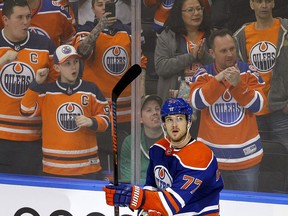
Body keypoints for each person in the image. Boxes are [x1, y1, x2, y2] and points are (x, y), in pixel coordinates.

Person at [103, 98, 223, 215]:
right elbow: (151, 185)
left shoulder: (199, 155)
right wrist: (146, 211)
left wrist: (132, 197)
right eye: (169, 120)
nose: (174, 125)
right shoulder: (158, 149)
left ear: (189, 122)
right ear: (164, 124)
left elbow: (171, 204)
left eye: (179, 119)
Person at [190, 28, 266, 191]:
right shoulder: (203, 74)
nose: (230, 54)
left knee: (247, 209)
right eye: (223, 50)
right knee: (212, 209)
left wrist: (238, 84)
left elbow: (258, 106)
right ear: (212, 52)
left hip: (247, 157)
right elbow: (197, 102)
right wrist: (219, 79)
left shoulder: (249, 72)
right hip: (211, 159)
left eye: (232, 49)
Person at [20, 45, 110, 179]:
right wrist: (36, 83)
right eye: (67, 63)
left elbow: (107, 119)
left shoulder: (90, 89)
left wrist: (92, 121)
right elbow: (26, 110)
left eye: (75, 62)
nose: (73, 67)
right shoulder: (46, 91)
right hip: (54, 169)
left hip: (87, 167)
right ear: (57, 68)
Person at [0, 0, 57, 175]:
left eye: (28, 17)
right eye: (19, 17)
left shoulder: (44, 45)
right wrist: (2, 61)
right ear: (5, 19)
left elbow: (55, 87)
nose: (26, 22)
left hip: (30, 139)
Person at [233, 0, 288, 149]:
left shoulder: (285, 29)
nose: (263, 5)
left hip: (281, 109)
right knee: (259, 161)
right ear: (251, 4)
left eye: (268, 1)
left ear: (273, 3)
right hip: (253, 110)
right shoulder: (240, 36)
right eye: (259, 1)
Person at [155, 0, 212, 103]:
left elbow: (224, 66)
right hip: (176, 103)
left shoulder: (212, 35)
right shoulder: (167, 36)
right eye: (190, 10)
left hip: (206, 99)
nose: (196, 13)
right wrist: (191, 57)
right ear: (179, 13)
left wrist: (204, 56)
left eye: (199, 9)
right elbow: (161, 67)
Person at [120, 94, 163, 183]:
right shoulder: (130, 142)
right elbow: (128, 178)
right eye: (149, 110)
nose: (155, 112)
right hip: (140, 192)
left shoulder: (175, 139)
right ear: (140, 118)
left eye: (157, 109)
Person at [0, 0, 76, 47]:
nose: (25, 22)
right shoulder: (2, 11)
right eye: (19, 17)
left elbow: (69, 40)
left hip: (49, 68)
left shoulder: (57, 11)